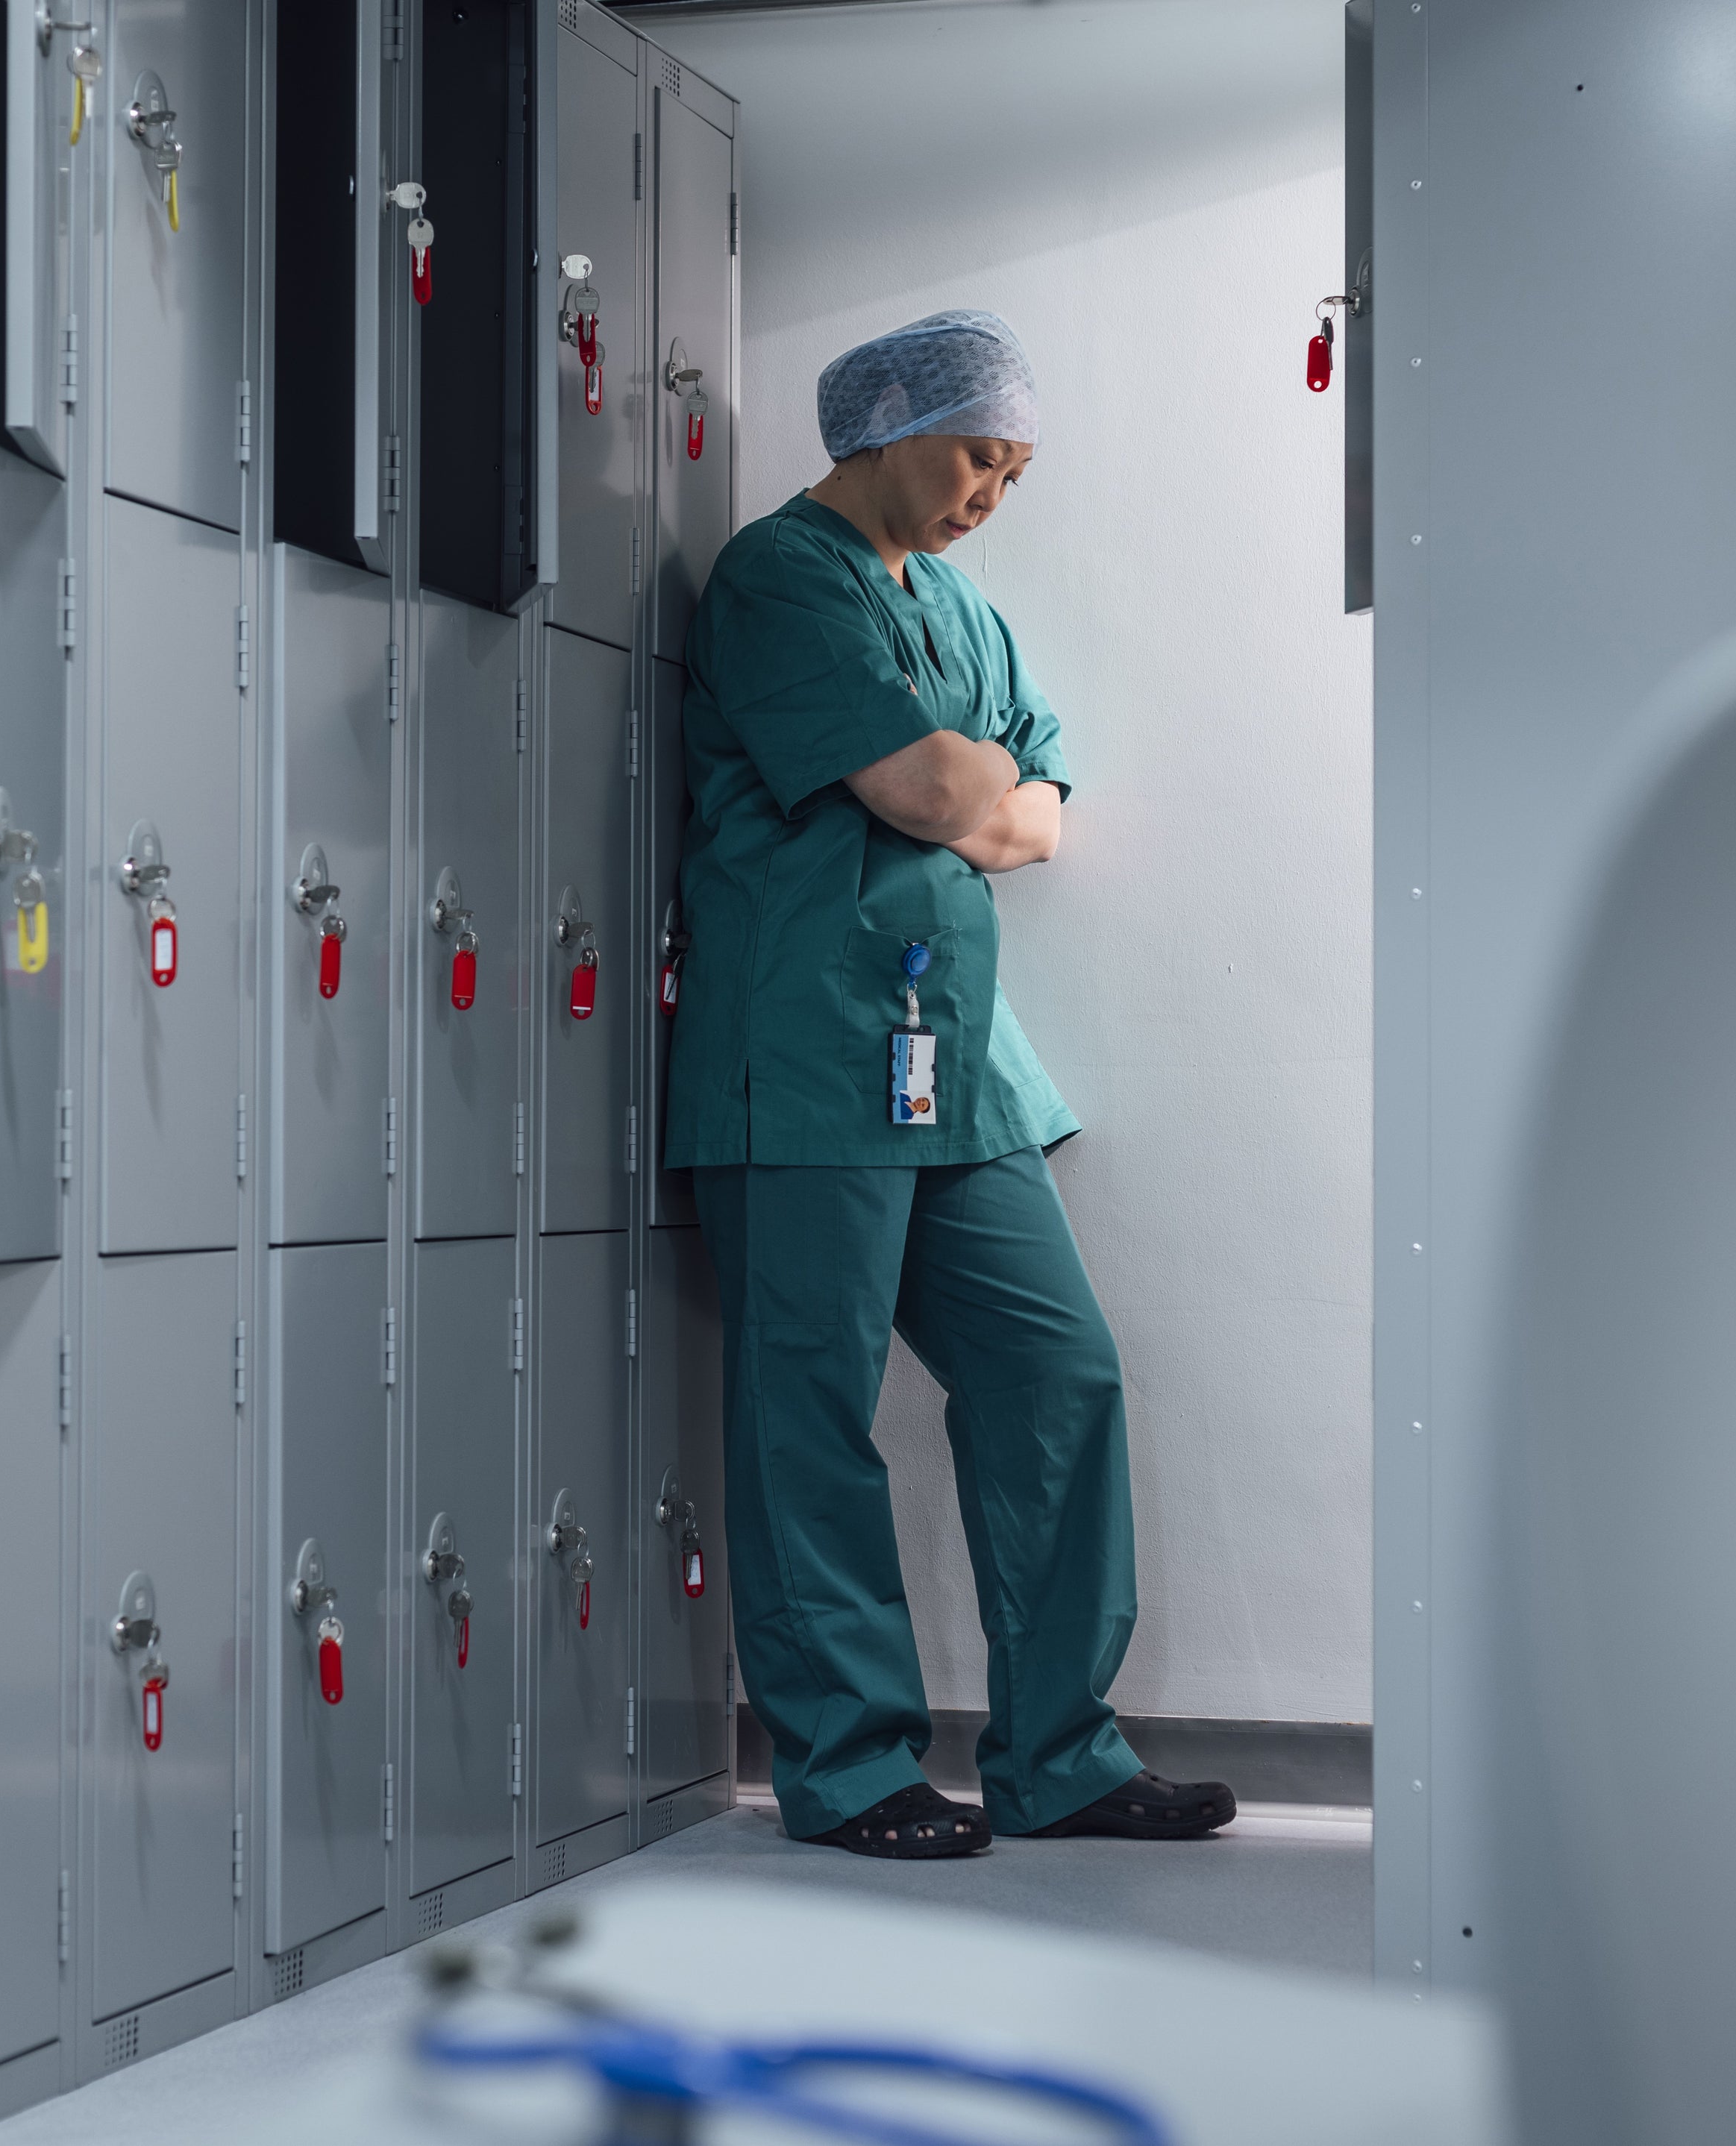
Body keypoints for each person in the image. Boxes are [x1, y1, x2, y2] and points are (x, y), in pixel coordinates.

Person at [666, 310, 1235, 1858]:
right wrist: (971, 780)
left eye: (1019, 468)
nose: (995, 488)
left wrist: (975, 781)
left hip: (955, 1068)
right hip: (801, 1053)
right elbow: (947, 794)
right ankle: (847, 1763)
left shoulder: (965, 612)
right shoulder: (780, 580)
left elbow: (1036, 817)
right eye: (982, 452)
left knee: (1057, 1371)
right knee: (814, 1413)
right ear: (887, 423)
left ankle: (1061, 1750)